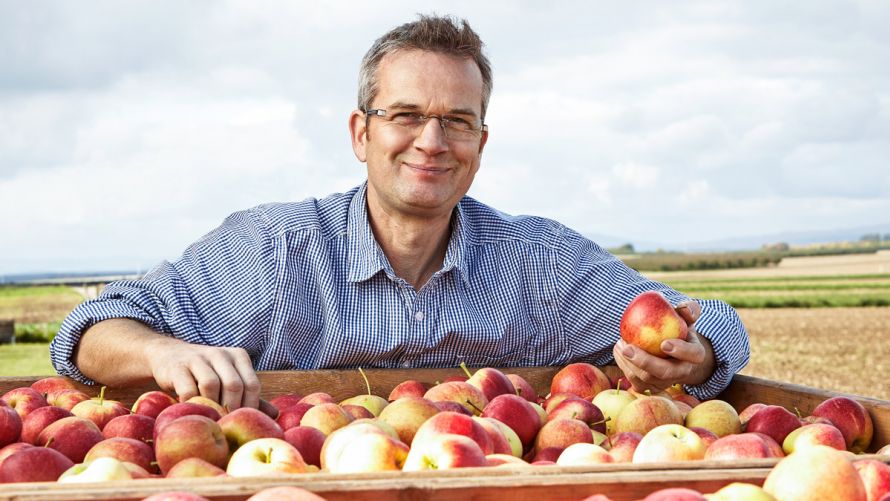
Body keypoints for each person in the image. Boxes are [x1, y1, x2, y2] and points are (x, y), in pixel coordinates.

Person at [50, 15, 749, 412]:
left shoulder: (542, 266)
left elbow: (707, 317)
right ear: (361, 133)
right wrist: (163, 350)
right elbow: (86, 335)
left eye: (457, 120)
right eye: (406, 114)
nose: (432, 141)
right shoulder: (273, 252)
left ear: (481, 142)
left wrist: (697, 352)